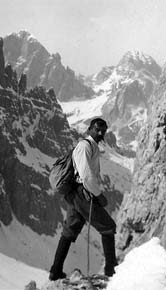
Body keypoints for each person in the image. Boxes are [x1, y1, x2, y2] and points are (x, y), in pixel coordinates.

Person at [49, 118, 117, 281]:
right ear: (90, 129)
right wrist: (99, 195)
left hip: (77, 194)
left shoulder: (89, 146)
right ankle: (111, 272)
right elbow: (86, 176)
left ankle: (55, 271)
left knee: (69, 231)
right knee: (108, 227)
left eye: (103, 130)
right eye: (97, 128)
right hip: (82, 194)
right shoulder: (84, 146)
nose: (101, 132)